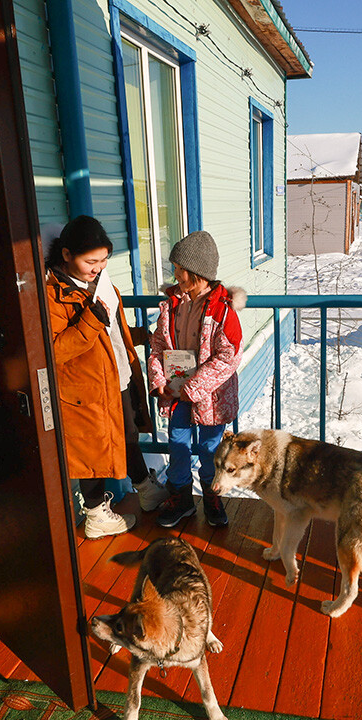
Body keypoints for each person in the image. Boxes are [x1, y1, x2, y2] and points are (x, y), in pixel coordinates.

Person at [45, 215, 166, 538]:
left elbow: (112, 332)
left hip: (118, 377)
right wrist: (93, 317)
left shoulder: (103, 284)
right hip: (86, 389)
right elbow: (54, 350)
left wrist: (141, 336)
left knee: (126, 435)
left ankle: (145, 488)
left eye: (104, 260)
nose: (98, 267)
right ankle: (96, 513)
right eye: (91, 261)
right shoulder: (53, 294)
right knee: (92, 448)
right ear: (67, 254)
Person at [148, 230, 246, 528]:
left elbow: (228, 357)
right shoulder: (171, 305)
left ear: (196, 273)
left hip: (210, 398)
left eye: (179, 269)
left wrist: (193, 387)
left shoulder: (222, 311)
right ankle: (182, 499)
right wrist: (158, 379)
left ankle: (211, 496)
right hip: (176, 395)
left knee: (209, 449)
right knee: (178, 445)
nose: (174, 274)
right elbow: (157, 347)